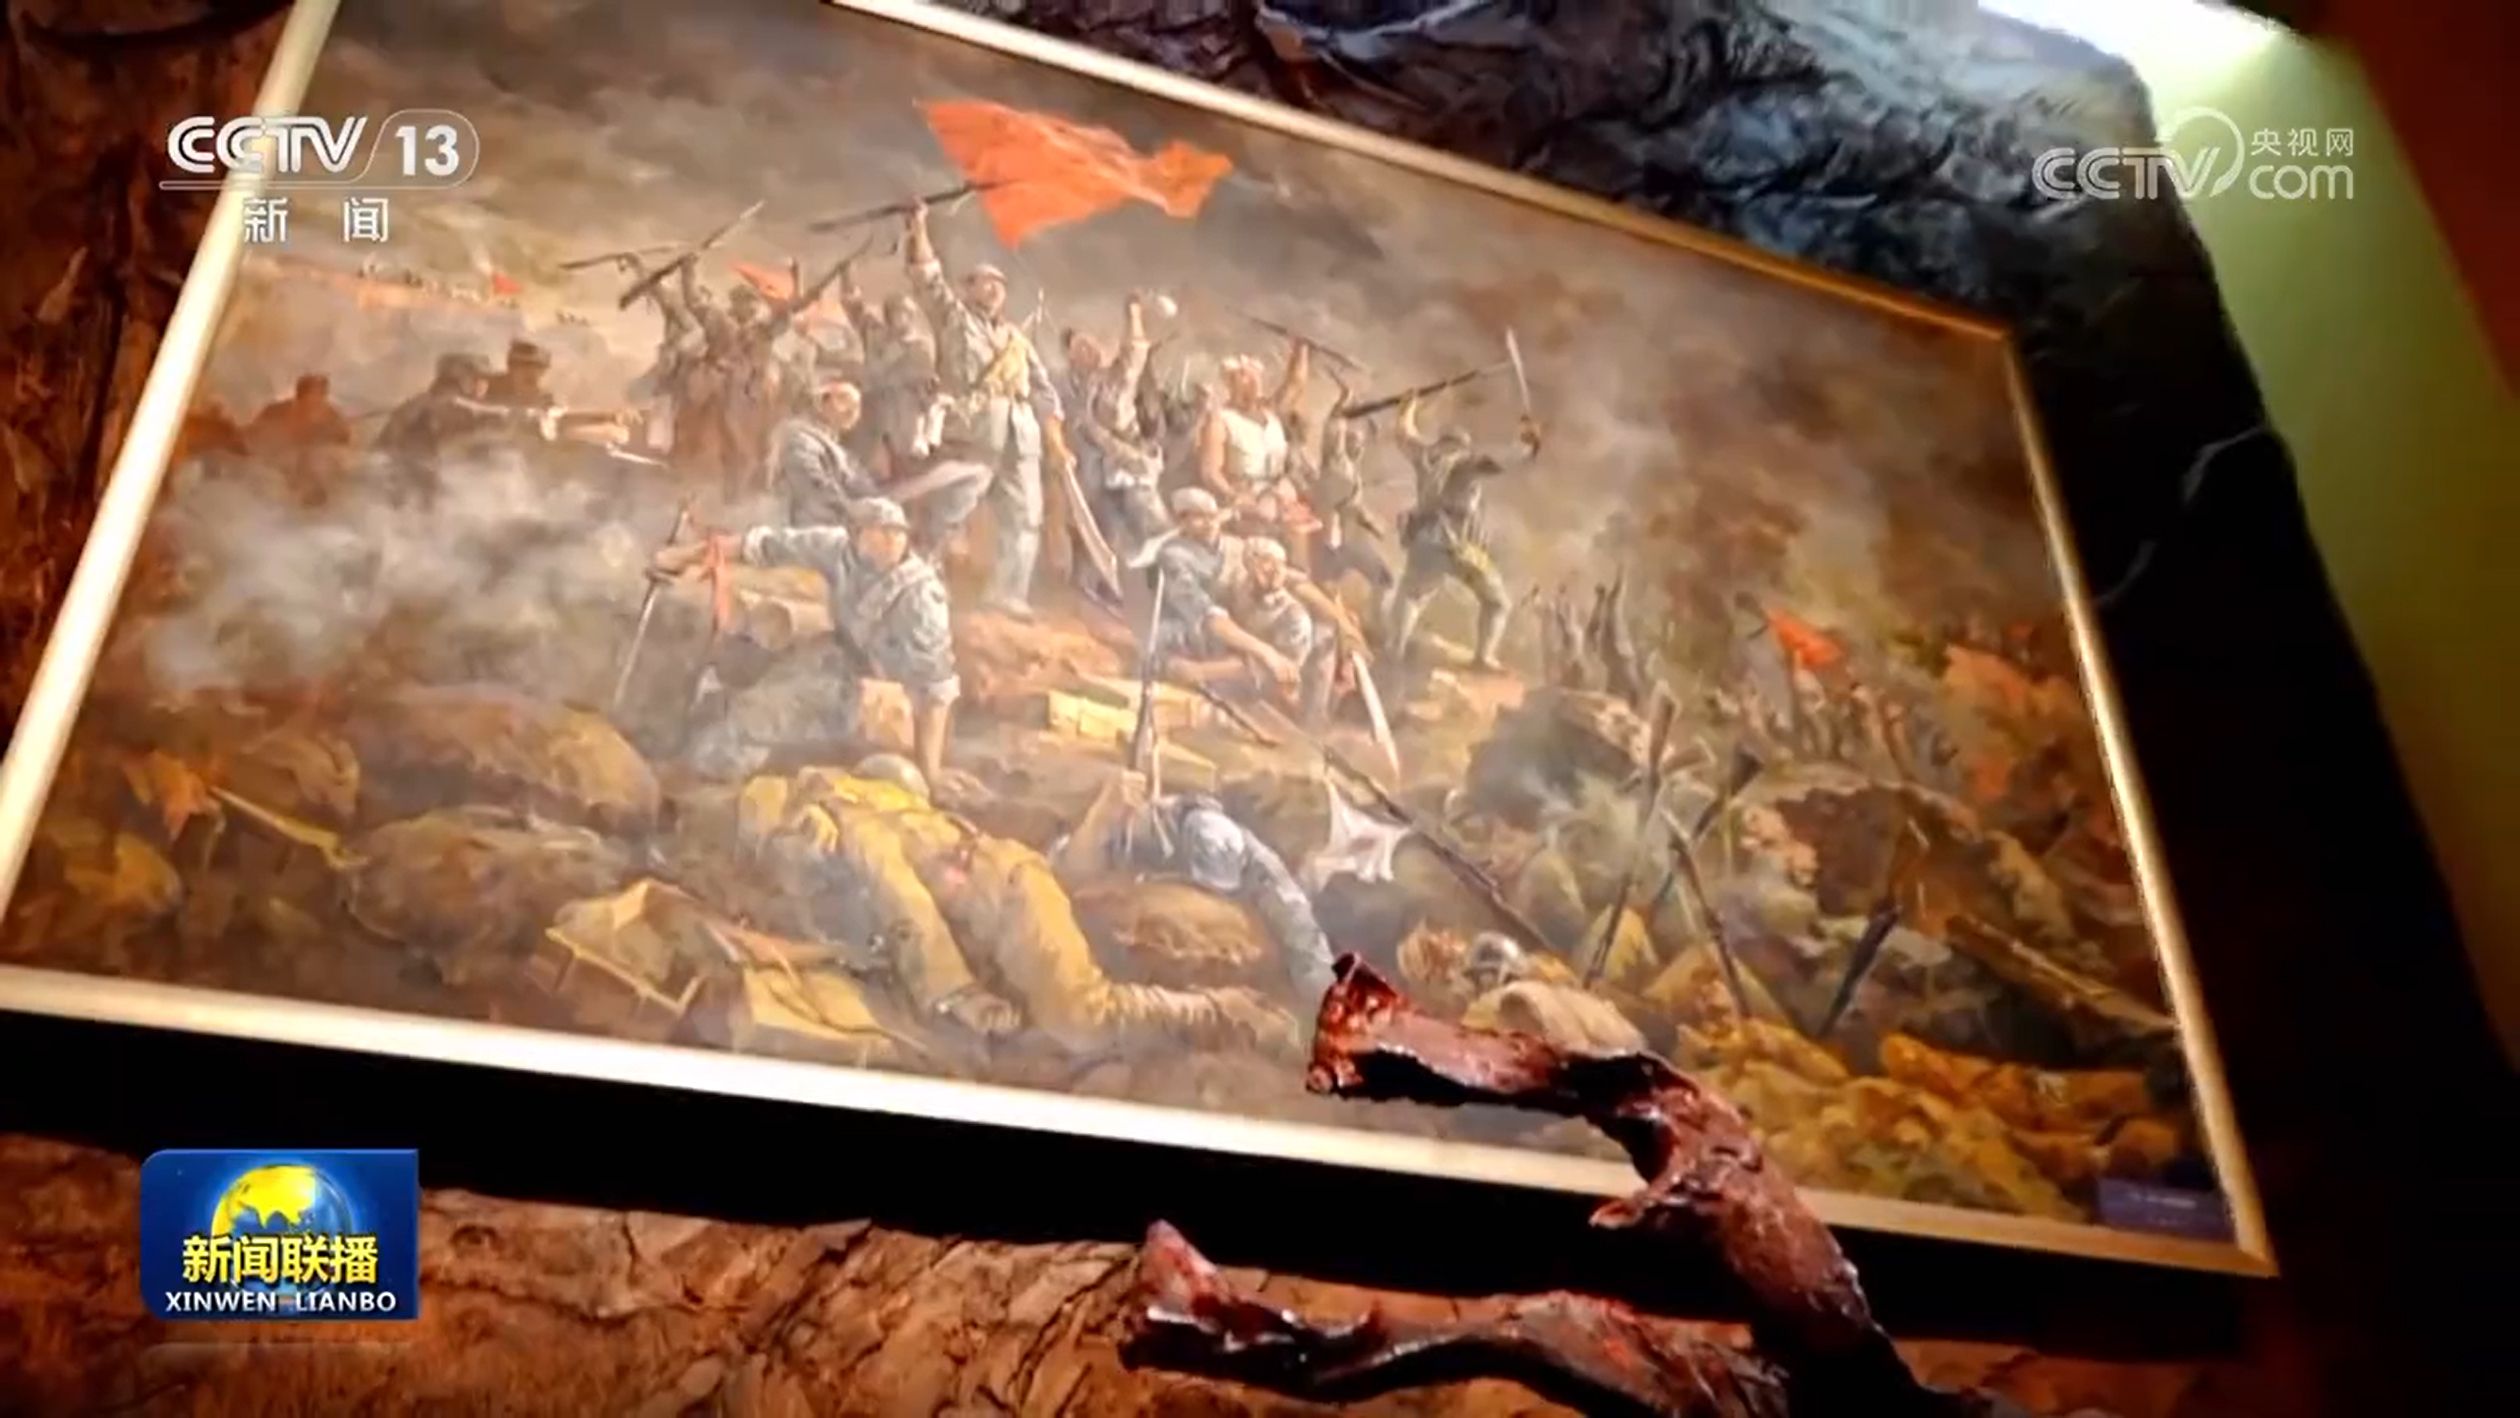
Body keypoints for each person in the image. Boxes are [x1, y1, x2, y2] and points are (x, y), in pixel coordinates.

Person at [654, 497, 958, 788]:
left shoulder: (920, 598)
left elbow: (936, 689)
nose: (892, 540)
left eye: (897, 532)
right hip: (837, 655)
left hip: (878, 692)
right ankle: (692, 752)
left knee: (759, 713)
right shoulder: (839, 548)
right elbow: (766, 545)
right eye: (882, 531)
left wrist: (930, 772)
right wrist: (683, 557)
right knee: (736, 665)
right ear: (857, 533)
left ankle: (703, 779)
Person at [905, 199, 1068, 618]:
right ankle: (917, 573)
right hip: (974, 430)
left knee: (1025, 516)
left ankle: (1007, 593)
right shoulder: (954, 319)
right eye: (983, 283)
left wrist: (1055, 440)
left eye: (999, 284)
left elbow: (1044, 393)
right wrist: (919, 227)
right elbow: (927, 279)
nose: (993, 289)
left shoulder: (1017, 341)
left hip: (1021, 437)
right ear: (968, 289)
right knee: (951, 508)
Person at [1385, 392, 1541, 671]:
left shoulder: (1424, 455)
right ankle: (1483, 657)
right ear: (1462, 445)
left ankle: (1394, 650)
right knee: (1497, 603)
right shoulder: (1467, 463)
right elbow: (1508, 458)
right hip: (1459, 546)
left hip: (1426, 541)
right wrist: (1527, 441)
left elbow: (1403, 434)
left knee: (1411, 595)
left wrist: (1408, 408)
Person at [1062, 293, 1167, 554]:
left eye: (1091, 345)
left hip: (1127, 461)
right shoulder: (1066, 389)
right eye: (1080, 348)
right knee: (1101, 532)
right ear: (1071, 358)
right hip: (1088, 473)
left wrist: (1133, 315)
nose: (1089, 350)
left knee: (1144, 508)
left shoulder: (1115, 378)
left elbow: (1134, 353)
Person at [1195, 336, 1317, 560]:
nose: (1252, 382)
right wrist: (1233, 495)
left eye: (1255, 376)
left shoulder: (1270, 411)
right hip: (1249, 500)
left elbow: (1296, 383)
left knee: (1303, 543)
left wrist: (1301, 348)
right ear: (1231, 384)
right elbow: (1210, 472)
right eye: (1244, 376)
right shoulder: (1220, 421)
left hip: (1282, 494)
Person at [769, 378, 877, 527]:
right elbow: (813, 490)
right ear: (821, 402)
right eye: (843, 400)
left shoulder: (840, 452)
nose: (852, 411)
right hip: (805, 529)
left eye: (857, 406)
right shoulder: (799, 437)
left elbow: (864, 488)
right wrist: (853, 514)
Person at [244, 372, 352, 500]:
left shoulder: (331, 415)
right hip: (277, 459)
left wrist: (332, 431)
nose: (316, 405)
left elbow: (344, 442)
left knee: (318, 463)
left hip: (311, 461)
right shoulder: (276, 411)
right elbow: (253, 433)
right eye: (311, 399)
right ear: (299, 397)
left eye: (320, 398)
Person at [482, 339, 558, 413]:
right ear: (511, 367)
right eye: (524, 365)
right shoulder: (489, 388)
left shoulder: (544, 400)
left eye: (538, 366)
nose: (530, 371)